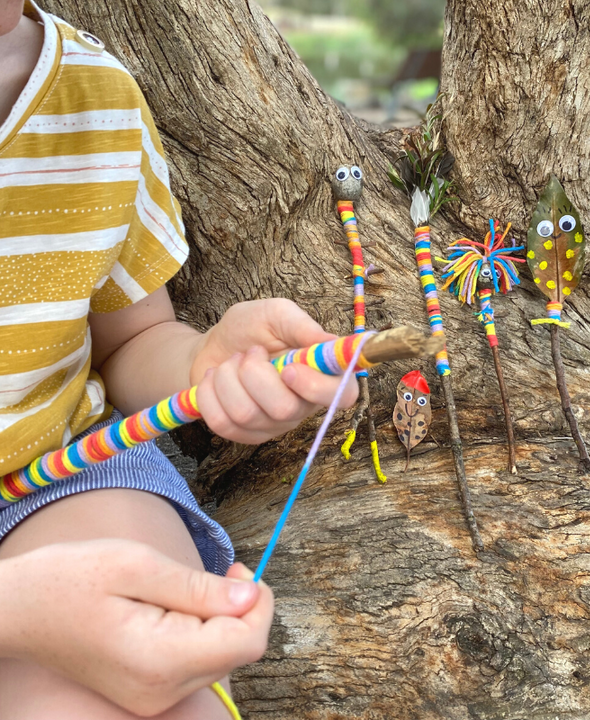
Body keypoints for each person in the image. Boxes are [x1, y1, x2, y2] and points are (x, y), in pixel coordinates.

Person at [0, 1, 358, 718]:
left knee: (156, 698)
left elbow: (130, 341)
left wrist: (202, 369)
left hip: (46, 476)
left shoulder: (95, 103)